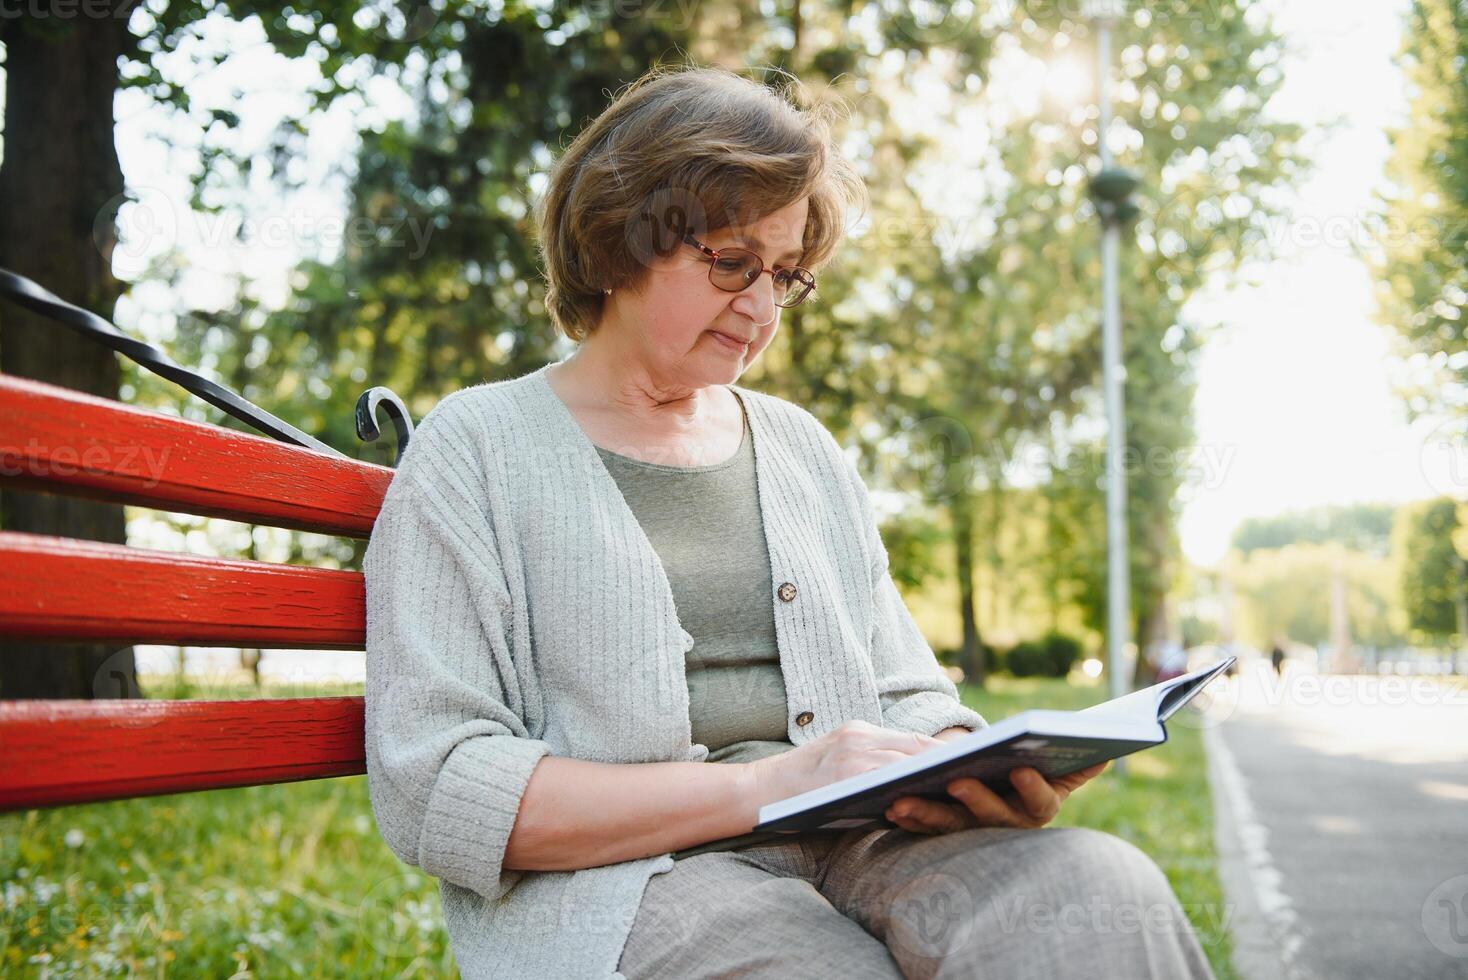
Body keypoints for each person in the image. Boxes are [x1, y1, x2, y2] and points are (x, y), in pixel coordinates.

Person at [362, 63, 1216, 980]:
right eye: (733, 263)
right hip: (628, 884)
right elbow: (437, 788)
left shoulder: (800, 447)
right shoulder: (478, 447)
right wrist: (766, 786)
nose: (764, 307)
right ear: (619, 240)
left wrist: (970, 762)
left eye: (787, 276)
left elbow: (904, 690)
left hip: (864, 840)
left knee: (1095, 897)